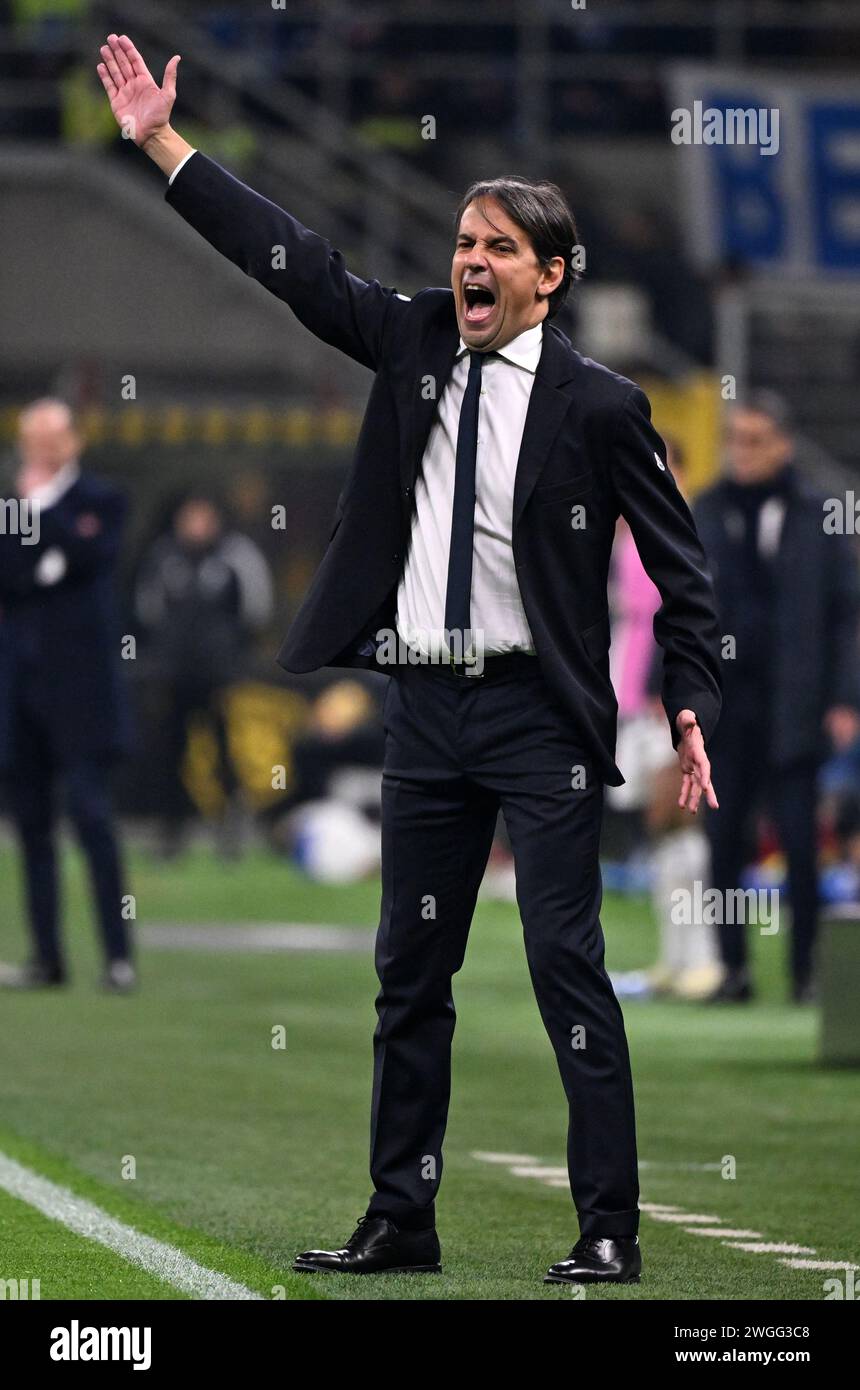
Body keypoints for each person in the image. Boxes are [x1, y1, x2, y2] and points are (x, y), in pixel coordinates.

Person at [97, 34, 722, 1286]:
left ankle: (607, 1227)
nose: (468, 263)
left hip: (537, 714)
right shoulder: (411, 340)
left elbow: (681, 568)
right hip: (426, 709)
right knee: (407, 975)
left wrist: (692, 707)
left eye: (496, 249)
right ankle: (403, 1219)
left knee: (565, 966)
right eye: (461, 242)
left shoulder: (600, 404)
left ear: (549, 277)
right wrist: (166, 144)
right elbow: (292, 264)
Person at [695, 394, 860, 1004]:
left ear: (783, 445)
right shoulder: (706, 510)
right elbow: (679, 612)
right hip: (725, 709)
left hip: (794, 706)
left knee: (799, 844)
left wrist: (844, 699)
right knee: (722, 843)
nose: (743, 451)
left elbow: (846, 616)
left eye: (756, 439)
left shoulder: (819, 514)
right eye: (736, 438)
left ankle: (806, 973)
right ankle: (733, 970)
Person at [0, 398, 134, 992]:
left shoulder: (102, 500)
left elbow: (91, 557)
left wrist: (45, 516)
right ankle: (47, 956)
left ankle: (117, 956)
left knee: (91, 816)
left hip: (80, 692)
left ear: (73, 442)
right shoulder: (13, 506)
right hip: (22, 688)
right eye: (32, 439)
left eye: (51, 439)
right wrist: (44, 549)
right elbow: (16, 575)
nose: (41, 451)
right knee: (31, 825)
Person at [134, 491, 274, 857]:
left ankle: (230, 833)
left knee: (225, 751)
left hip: (219, 674)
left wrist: (231, 654)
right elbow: (147, 610)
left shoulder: (236, 555)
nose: (196, 525)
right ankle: (170, 833)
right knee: (170, 753)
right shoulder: (164, 557)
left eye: (202, 517)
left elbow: (256, 609)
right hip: (174, 674)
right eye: (189, 517)